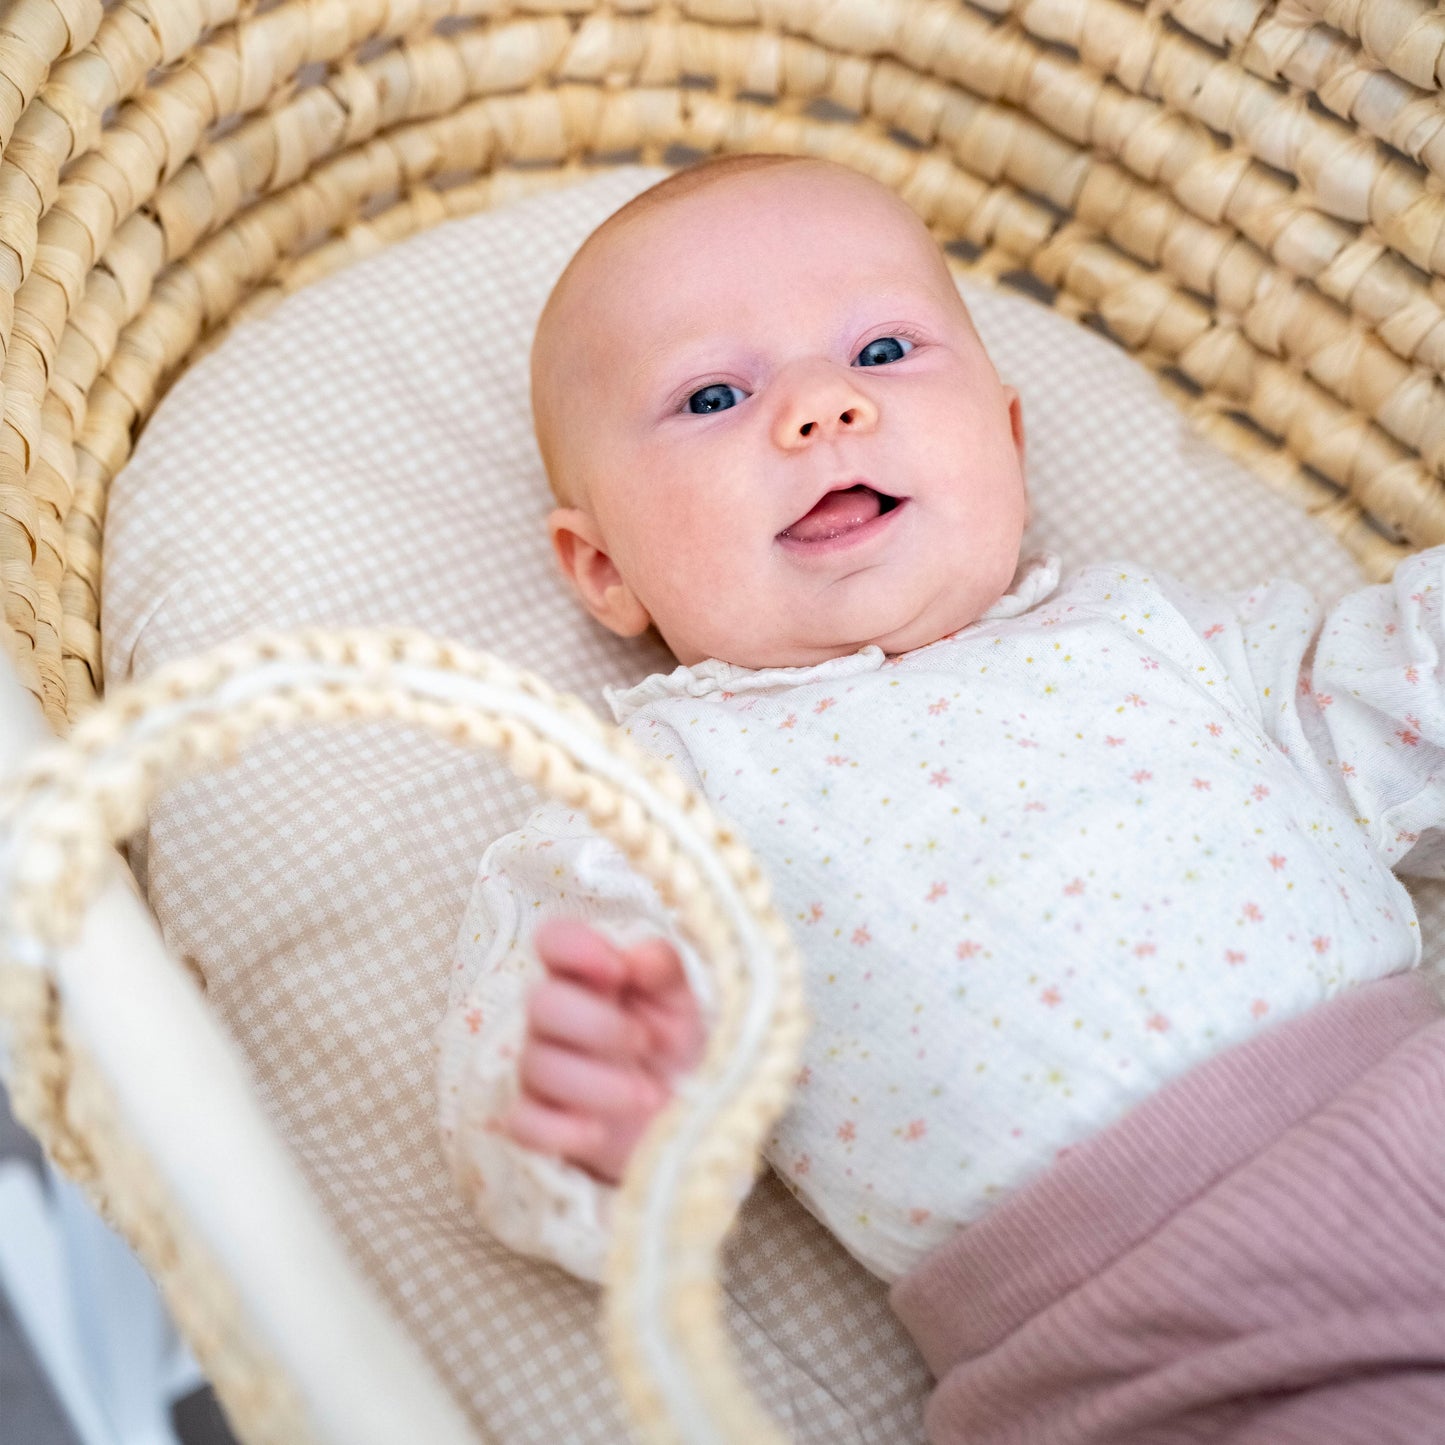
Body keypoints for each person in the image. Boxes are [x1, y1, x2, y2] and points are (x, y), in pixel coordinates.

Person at [437, 154, 1445, 1442]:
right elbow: (547, 1062)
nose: (823, 408)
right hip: (1138, 1334)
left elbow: (1377, 702)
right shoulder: (653, 810)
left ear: (1009, 443)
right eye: (712, 395)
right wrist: (596, 1113)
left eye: (880, 350)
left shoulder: (1150, 631)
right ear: (603, 570)